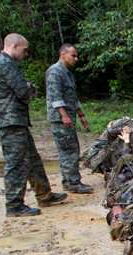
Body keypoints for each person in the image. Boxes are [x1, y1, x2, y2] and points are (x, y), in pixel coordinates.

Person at [0, 33, 67, 216]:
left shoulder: (9, 64)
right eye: (25, 50)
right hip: (9, 120)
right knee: (17, 162)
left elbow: (27, 88)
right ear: (14, 46)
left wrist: (28, 87)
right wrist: (28, 88)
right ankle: (14, 205)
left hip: (16, 119)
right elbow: (22, 91)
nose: (26, 54)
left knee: (33, 159)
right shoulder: (4, 64)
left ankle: (44, 195)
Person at [45, 43, 93, 194]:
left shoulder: (67, 73)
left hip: (69, 117)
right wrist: (63, 115)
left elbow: (72, 97)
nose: (76, 59)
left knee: (70, 148)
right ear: (62, 54)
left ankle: (68, 181)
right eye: (73, 55)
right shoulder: (55, 72)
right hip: (61, 120)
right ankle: (73, 182)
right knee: (69, 150)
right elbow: (55, 96)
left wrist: (81, 115)